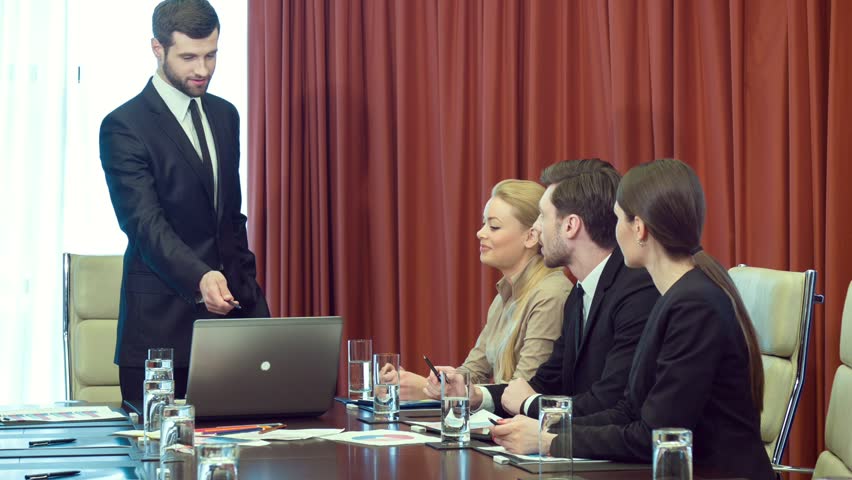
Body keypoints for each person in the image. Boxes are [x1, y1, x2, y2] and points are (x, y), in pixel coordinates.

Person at [492, 159, 773, 480]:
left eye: (617, 219)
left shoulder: (693, 305)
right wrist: (543, 428)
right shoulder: (676, 296)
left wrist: (550, 441)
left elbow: (654, 436)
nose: (612, 231)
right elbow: (627, 412)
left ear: (638, 228)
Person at [100, 0, 269, 402]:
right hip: (161, 333)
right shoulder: (124, 126)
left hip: (233, 331)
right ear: (157, 49)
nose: (203, 69)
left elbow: (230, 220)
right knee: (162, 460)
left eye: (211, 54)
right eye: (189, 57)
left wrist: (257, 312)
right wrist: (200, 277)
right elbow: (145, 224)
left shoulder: (225, 116)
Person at [432, 159, 658, 417]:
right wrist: (477, 396)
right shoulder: (580, 293)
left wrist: (529, 407)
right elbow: (548, 381)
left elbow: (609, 402)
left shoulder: (636, 291)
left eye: (542, 215)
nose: (537, 228)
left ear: (570, 226)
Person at [397, 180, 570, 399]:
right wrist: (438, 383)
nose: (480, 233)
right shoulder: (504, 296)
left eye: (494, 226)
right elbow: (473, 371)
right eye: (483, 224)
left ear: (531, 237)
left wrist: (431, 389)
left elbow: (525, 389)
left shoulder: (550, 295)